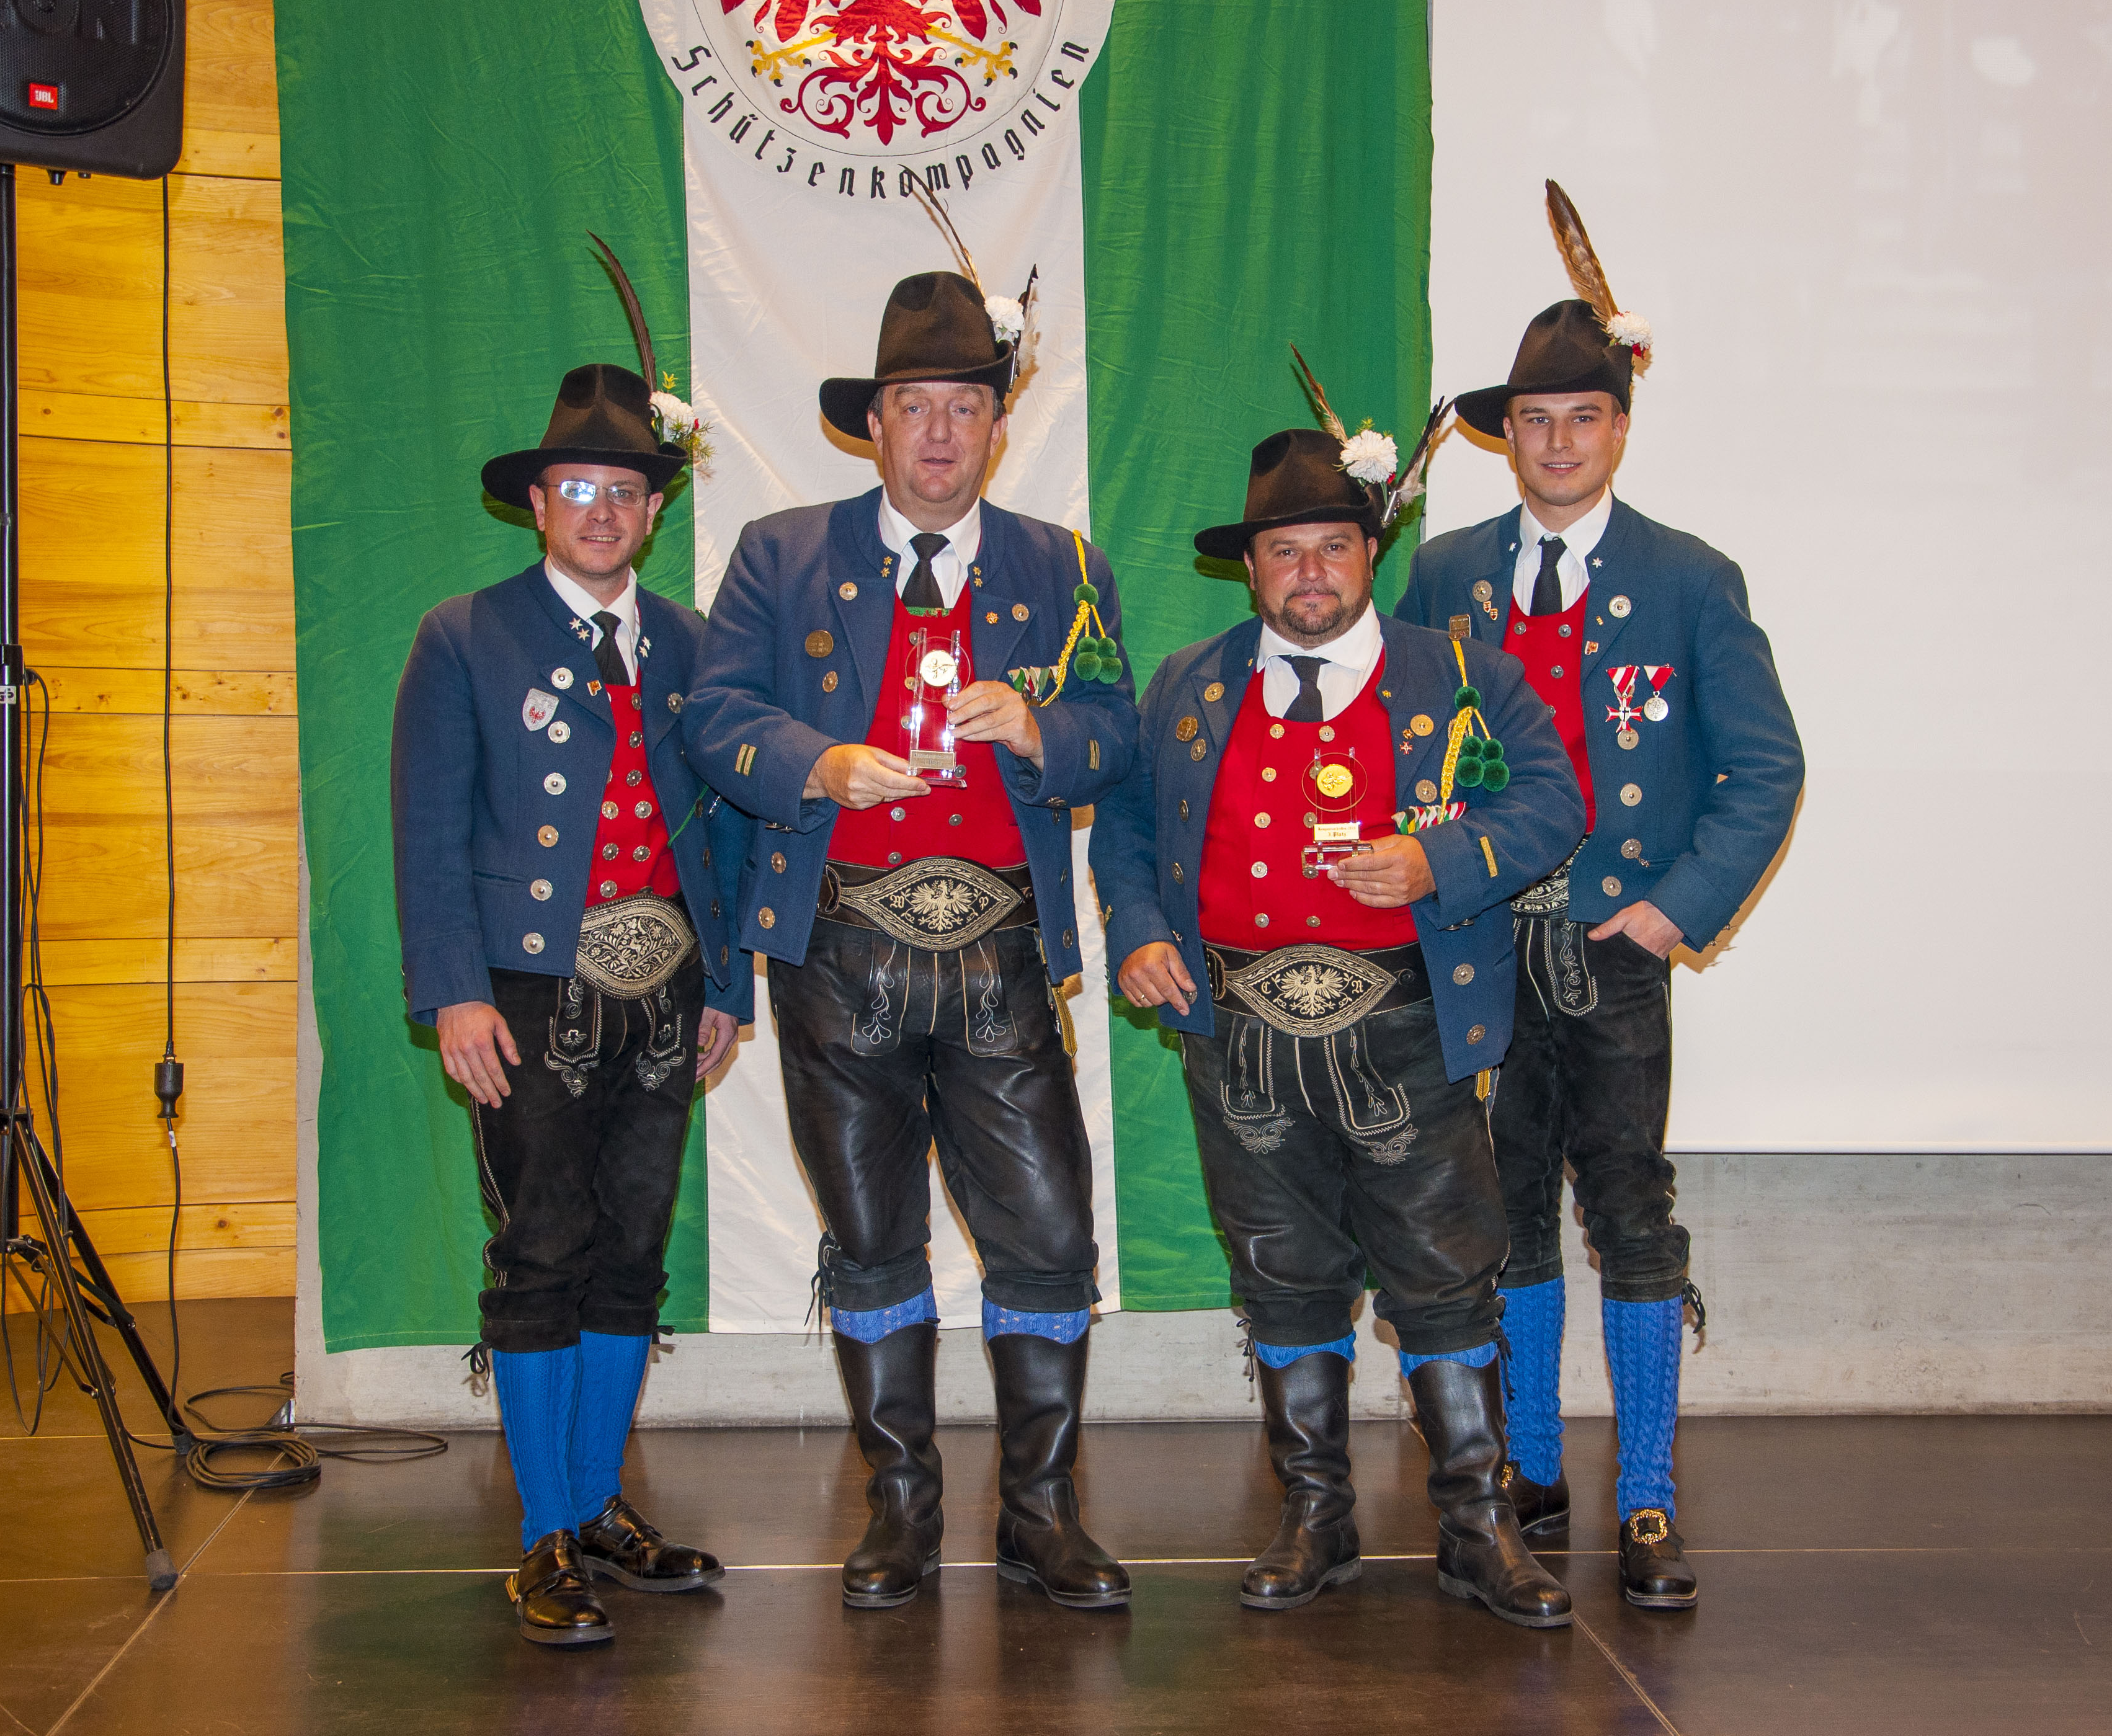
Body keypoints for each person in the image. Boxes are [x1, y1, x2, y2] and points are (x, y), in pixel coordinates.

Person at [688, 270, 1139, 1612]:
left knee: (1048, 1233)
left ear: (996, 427)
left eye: (963, 406)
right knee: (871, 1235)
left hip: (1002, 956)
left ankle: (1042, 1514)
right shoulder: (778, 552)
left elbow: (1116, 732)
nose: (938, 432)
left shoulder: (1065, 569)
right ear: (869, 425)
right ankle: (899, 1505)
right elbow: (712, 715)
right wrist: (817, 760)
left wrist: (1044, 733)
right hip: (837, 957)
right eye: (912, 407)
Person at [1092, 425, 1587, 1629]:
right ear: (1249, 568)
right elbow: (1124, 829)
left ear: (1369, 551)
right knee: (1281, 1277)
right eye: (1282, 550)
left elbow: (1552, 803)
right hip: (1240, 1041)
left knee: (1445, 1277)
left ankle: (1477, 1525)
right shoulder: (1188, 683)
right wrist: (1140, 931)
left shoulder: (1457, 672)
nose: (1307, 570)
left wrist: (1438, 855)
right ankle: (1314, 1515)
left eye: (1330, 545)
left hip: (1405, 1035)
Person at [1393, 199, 1805, 1608]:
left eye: (1581, 416)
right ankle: (1527, 1470)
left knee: (1628, 1214)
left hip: (1616, 950)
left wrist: (1674, 911)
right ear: (1504, 432)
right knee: (1499, 1217)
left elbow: (1765, 767)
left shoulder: (1691, 580)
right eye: (1532, 419)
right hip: (1482, 953)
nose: (1555, 440)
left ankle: (1641, 1496)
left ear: (1619, 426)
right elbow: (1405, 748)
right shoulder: (1443, 574)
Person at [393, 361, 752, 1646]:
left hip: (667, 986)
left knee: (632, 1251)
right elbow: (429, 830)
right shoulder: (465, 634)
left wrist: (727, 981)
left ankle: (600, 1504)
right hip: (526, 989)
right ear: (538, 503)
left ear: (652, 512)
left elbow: (724, 832)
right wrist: (453, 994)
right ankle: (543, 1526)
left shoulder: (697, 646)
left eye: (625, 490)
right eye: (577, 488)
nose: (602, 510)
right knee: (541, 1243)